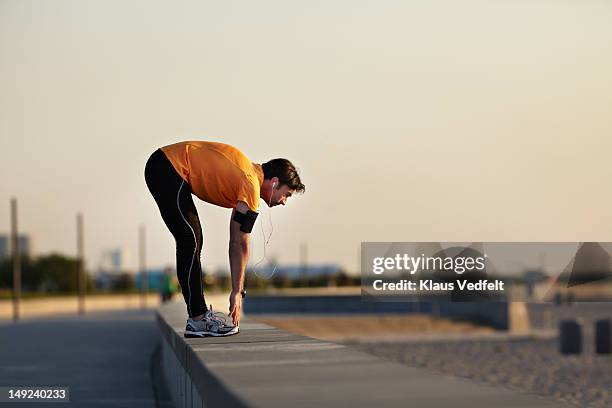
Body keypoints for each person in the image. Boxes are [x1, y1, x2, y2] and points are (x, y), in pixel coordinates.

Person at [144, 141, 305, 337]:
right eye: (286, 194)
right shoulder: (250, 183)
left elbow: (235, 241)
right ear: (274, 182)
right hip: (167, 167)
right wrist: (237, 291)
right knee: (190, 240)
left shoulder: (248, 178)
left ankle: (197, 316)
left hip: (167, 167)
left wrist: (238, 290)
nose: (284, 202)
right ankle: (197, 318)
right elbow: (241, 244)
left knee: (193, 240)